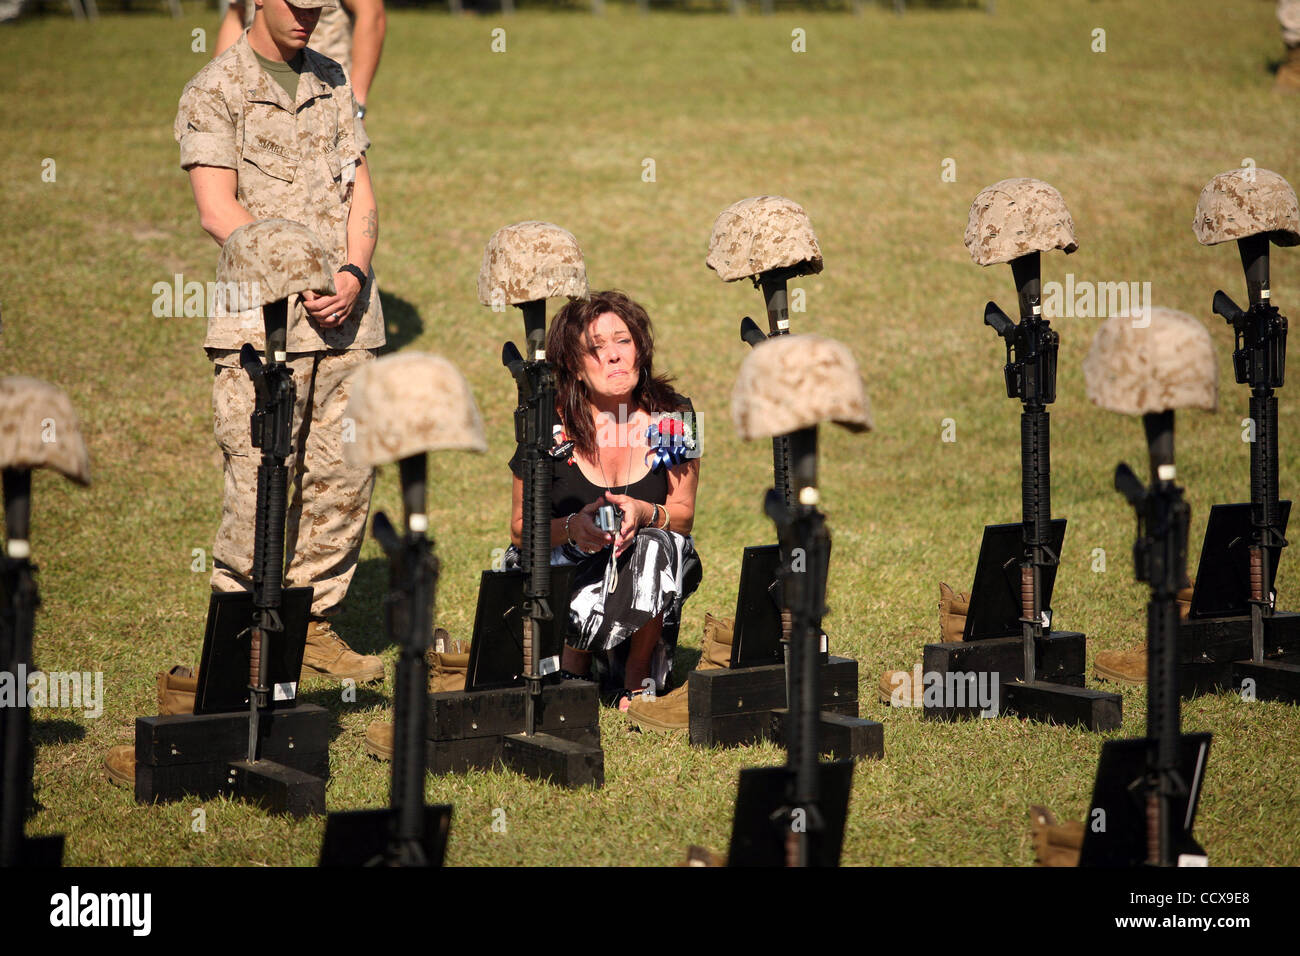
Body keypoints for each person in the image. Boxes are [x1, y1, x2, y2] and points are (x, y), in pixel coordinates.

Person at [175, 0, 385, 684]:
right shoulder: (216, 88)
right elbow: (217, 209)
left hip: (347, 318)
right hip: (260, 327)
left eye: (319, 6)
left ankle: (311, 624)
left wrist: (353, 270)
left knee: (345, 479)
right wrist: (300, 279)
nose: (310, 17)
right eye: (296, 5)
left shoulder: (332, 80)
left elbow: (361, 193)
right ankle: (234, 653)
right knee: (260, 484)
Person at [508, 290, 702, 709]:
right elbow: (521, 530)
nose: (614, 355)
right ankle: (573, 663)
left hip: (639, 597)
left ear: (640, 350)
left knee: (663, 543)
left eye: (623, 341)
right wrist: (574, 529)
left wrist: (646, 513)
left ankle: (633, 675)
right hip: (567, 582)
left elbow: (683, 518)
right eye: (597, 348)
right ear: (575, 367)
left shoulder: (675, 414)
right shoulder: (547, 421)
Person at [215, 0, 386, 115]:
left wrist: (357, 103)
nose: (307, 14)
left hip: (326, 96)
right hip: (256, 93)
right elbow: (236, 14)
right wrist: (220, 87)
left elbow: (371, 14)